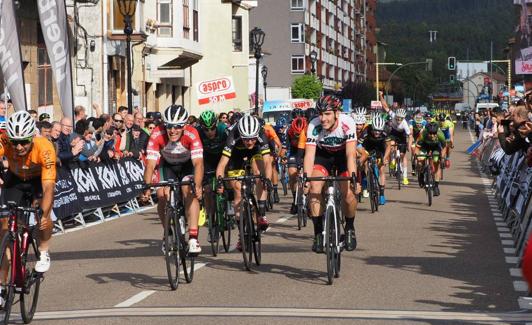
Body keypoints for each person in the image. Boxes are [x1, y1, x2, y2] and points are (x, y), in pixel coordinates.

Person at [142, 105, 204, 254]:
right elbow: (150, 165)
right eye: (169, 126)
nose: (172, 130)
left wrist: (198, 185)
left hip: (187, 165)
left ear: (184, 126)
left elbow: (198, 163)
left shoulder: (192, 133)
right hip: (167, 165)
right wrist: (146, 187)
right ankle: (168, 233)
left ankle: (193, 238)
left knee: (189, 190)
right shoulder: (157, 133)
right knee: (162, 195)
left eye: (177, 126)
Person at [0, 111, 56, 273]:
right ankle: (3, 288)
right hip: (16, 178)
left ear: (32, 137)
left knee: (43, 216)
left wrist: (44, 214)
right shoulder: (5, 140)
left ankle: (44, 250)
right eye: (15, 142)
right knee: (4, 226)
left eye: (23, 142)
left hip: (38, 181)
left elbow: (48, 188)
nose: (18, 147)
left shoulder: (44, 148)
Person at [303, 95, 359, 253]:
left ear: (337, 113)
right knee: (314, 188)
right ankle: (318, 233)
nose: (323, 118)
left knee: (348, 194)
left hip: (342, 156)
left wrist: (354, 177)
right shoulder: (314, 125)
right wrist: (306, 179)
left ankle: (349, 228)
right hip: (323, 156)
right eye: (320, 114)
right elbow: (309, 155)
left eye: (327, 114)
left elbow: (350, 155)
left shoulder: (347, 123)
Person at [215, 114, 272, 249]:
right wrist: (219, 181)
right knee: (237, 190)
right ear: (240, 134)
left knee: (259, 174)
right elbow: (222, 164)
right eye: (246, 139)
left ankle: (262, 214)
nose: (250, 142)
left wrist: (268, 179)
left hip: (255, 153)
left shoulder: (261, 134)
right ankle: (242, 235)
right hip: (236, 155)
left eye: (252, 139)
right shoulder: (232, 136)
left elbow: (267, 161)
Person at [362, 115, 392, 205]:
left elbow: (388, 147)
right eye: (375, 130)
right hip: (368, 146)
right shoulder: (366, 130)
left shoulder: (386, 130)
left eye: (379, 131)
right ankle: (365, 178)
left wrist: (385, 158)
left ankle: (382, 195)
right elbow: (360, 145)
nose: (377, 133)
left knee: (381, 169)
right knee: (365, 163)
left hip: (380, 148)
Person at [415, 122, 447, 196]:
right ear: (427, 132)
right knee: (420, 160)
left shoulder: (440, 135)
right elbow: (417, 147)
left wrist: (442, 157)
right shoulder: (423, 134)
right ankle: (421, 175)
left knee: (436, 162)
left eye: (434, 133)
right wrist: (416, 156)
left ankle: (436, 186)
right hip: (424, 147)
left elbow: (444, 147)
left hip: (436, 147)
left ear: (437, 132)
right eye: (430, 133)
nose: (432, 135)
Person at [285, 116, 307, 214]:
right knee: (292, 173)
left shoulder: (308, 131)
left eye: (299, 134)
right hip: (294, 152)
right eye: (296, 134)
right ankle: (295, 200)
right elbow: (287, 148)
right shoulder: (289, 132)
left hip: (307, 151)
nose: (298, 136)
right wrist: (284, 157)